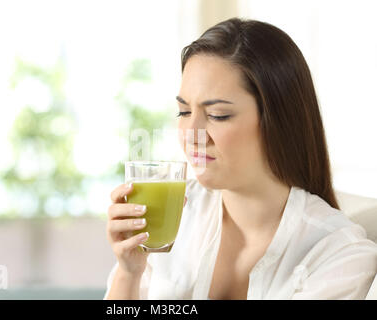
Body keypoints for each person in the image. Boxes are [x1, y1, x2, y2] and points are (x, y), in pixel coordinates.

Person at [103, 18, 377, 299]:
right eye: (184, 112)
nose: (192, 135)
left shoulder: (338, 255)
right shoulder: (176, 219)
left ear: (279, 121)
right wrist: (129, 272)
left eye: (218, 115)